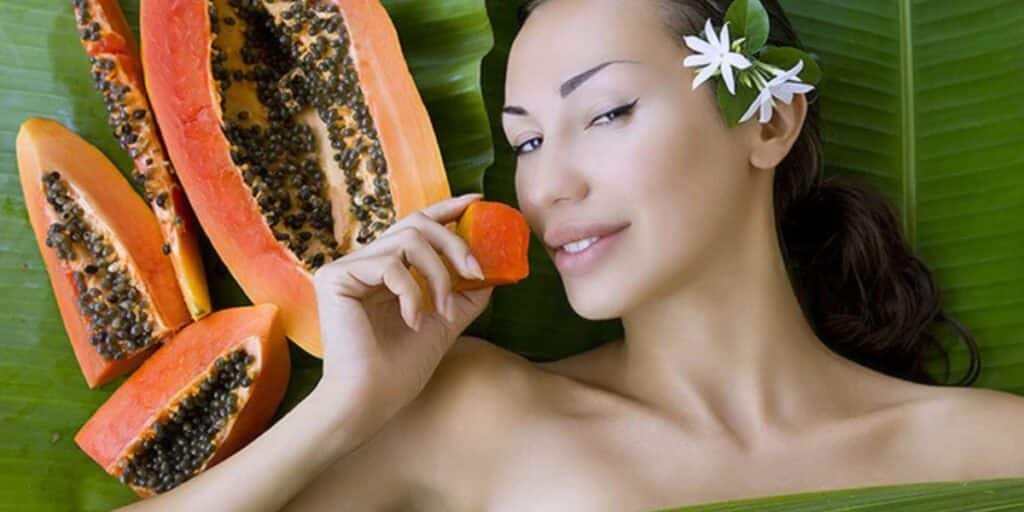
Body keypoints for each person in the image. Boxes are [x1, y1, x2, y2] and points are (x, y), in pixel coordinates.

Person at [118, 0, 1024, 510]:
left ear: (767, 119)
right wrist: (344, 413)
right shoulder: (476, 414)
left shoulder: (992, 447)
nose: (547, 188)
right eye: (527, 142)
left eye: (606, 114)